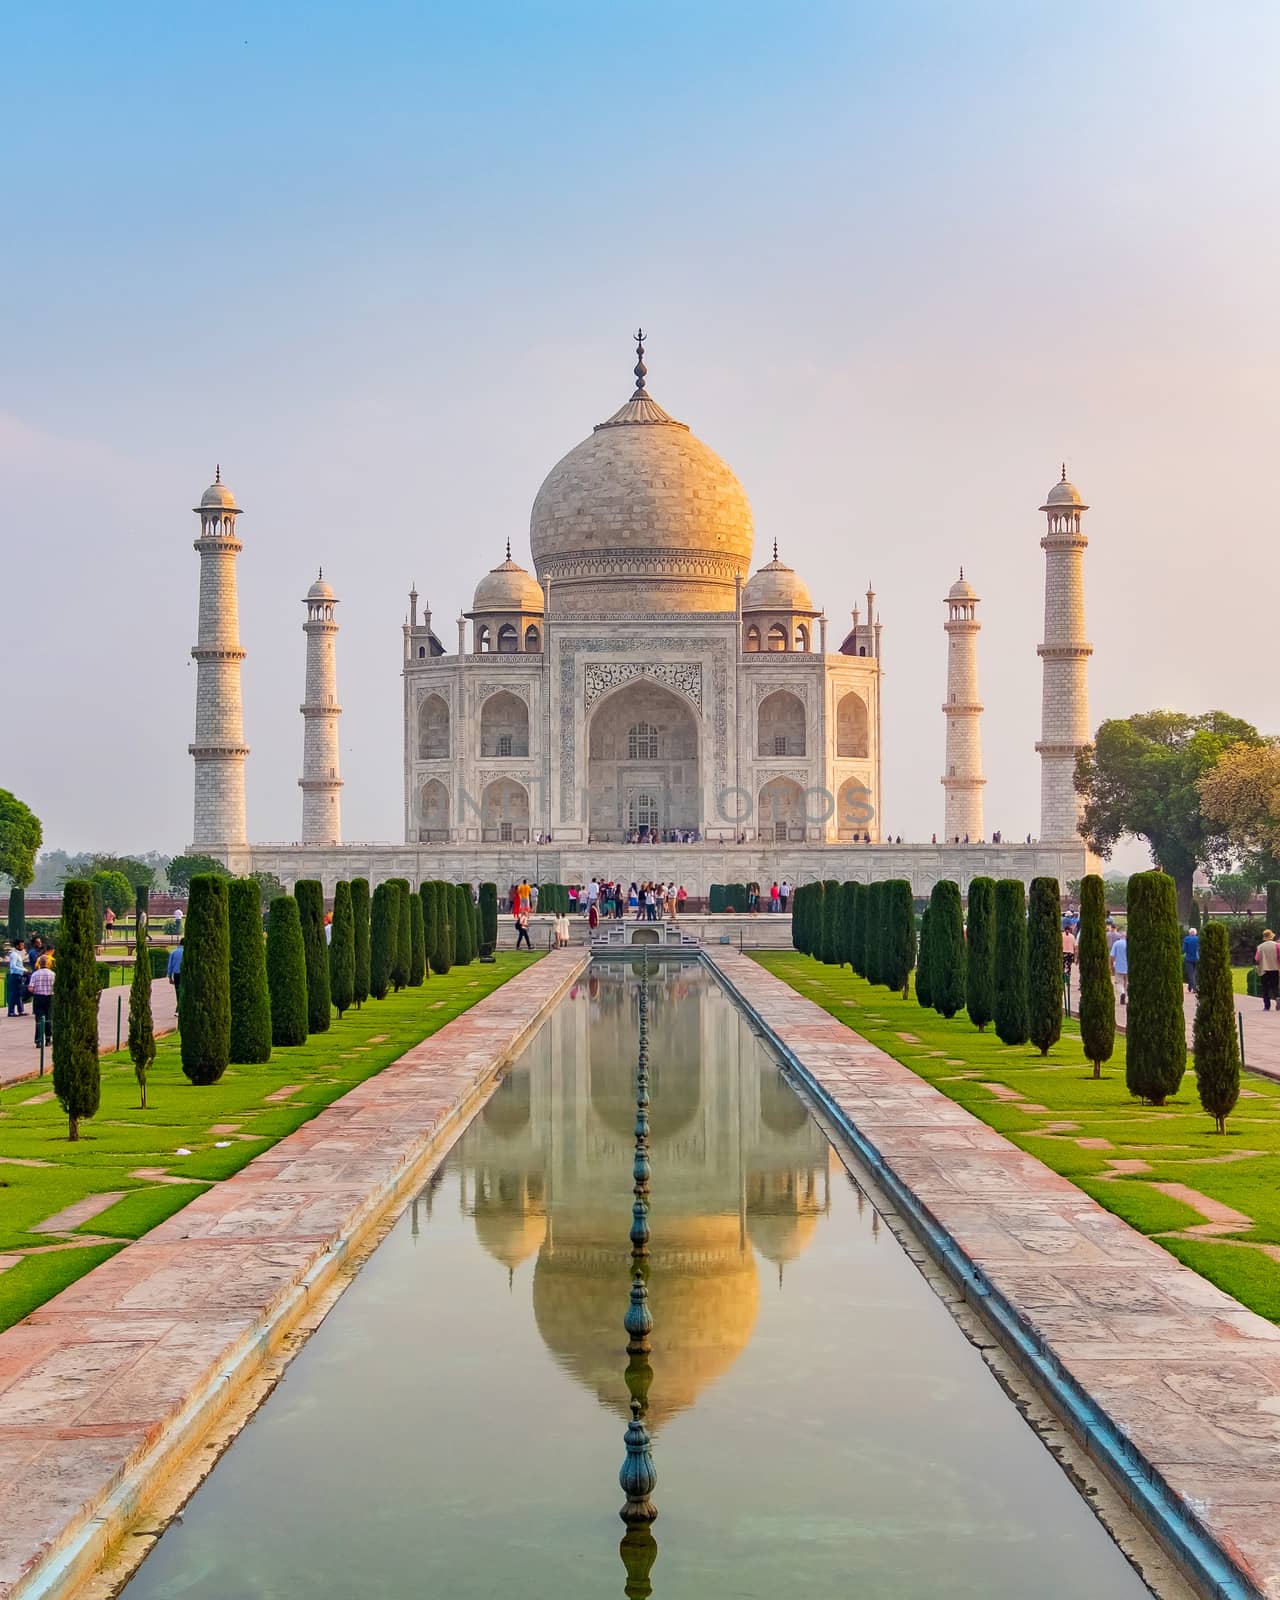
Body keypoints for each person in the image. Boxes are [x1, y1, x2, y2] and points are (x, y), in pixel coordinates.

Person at [28, 956, 54, 1048]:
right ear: (48, 963)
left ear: (40, 963)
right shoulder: (52, 974)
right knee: (48, 1018)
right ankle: (48, 1039)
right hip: (49, 998)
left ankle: (38, 1041)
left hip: (38, 998)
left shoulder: (35, 974)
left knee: (39, 1020)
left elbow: (30, 988)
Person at [1256, 929, 1280, 1012]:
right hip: (1275, 968)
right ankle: (1277, 997)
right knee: (1275, 986)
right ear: (1271, 936)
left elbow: (1257, 958)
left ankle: (1267, 1006)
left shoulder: (1260, 947)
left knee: (1265, 988)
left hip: (1264, 969)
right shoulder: (1277, 945)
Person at [1110, 931, 1128, 1007]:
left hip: (1118, 966)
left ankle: (1122, 993)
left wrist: (1111, 964)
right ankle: (1125, 994)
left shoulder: (1116, 943)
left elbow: (1112, 955)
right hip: (1128, 966)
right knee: (1126, 982)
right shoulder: (1129, 944)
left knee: (1119, 982)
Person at [1182, 926, 1200, 994]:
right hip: (1197, 958)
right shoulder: (1198, 939)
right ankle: (1190, 986)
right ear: (1195, 933)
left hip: (1188, 959)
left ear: (1189, 933)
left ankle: (1194, 988)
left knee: (1190, 974)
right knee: (1194, 974)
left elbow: (1183, 950)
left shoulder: (1186, 939)